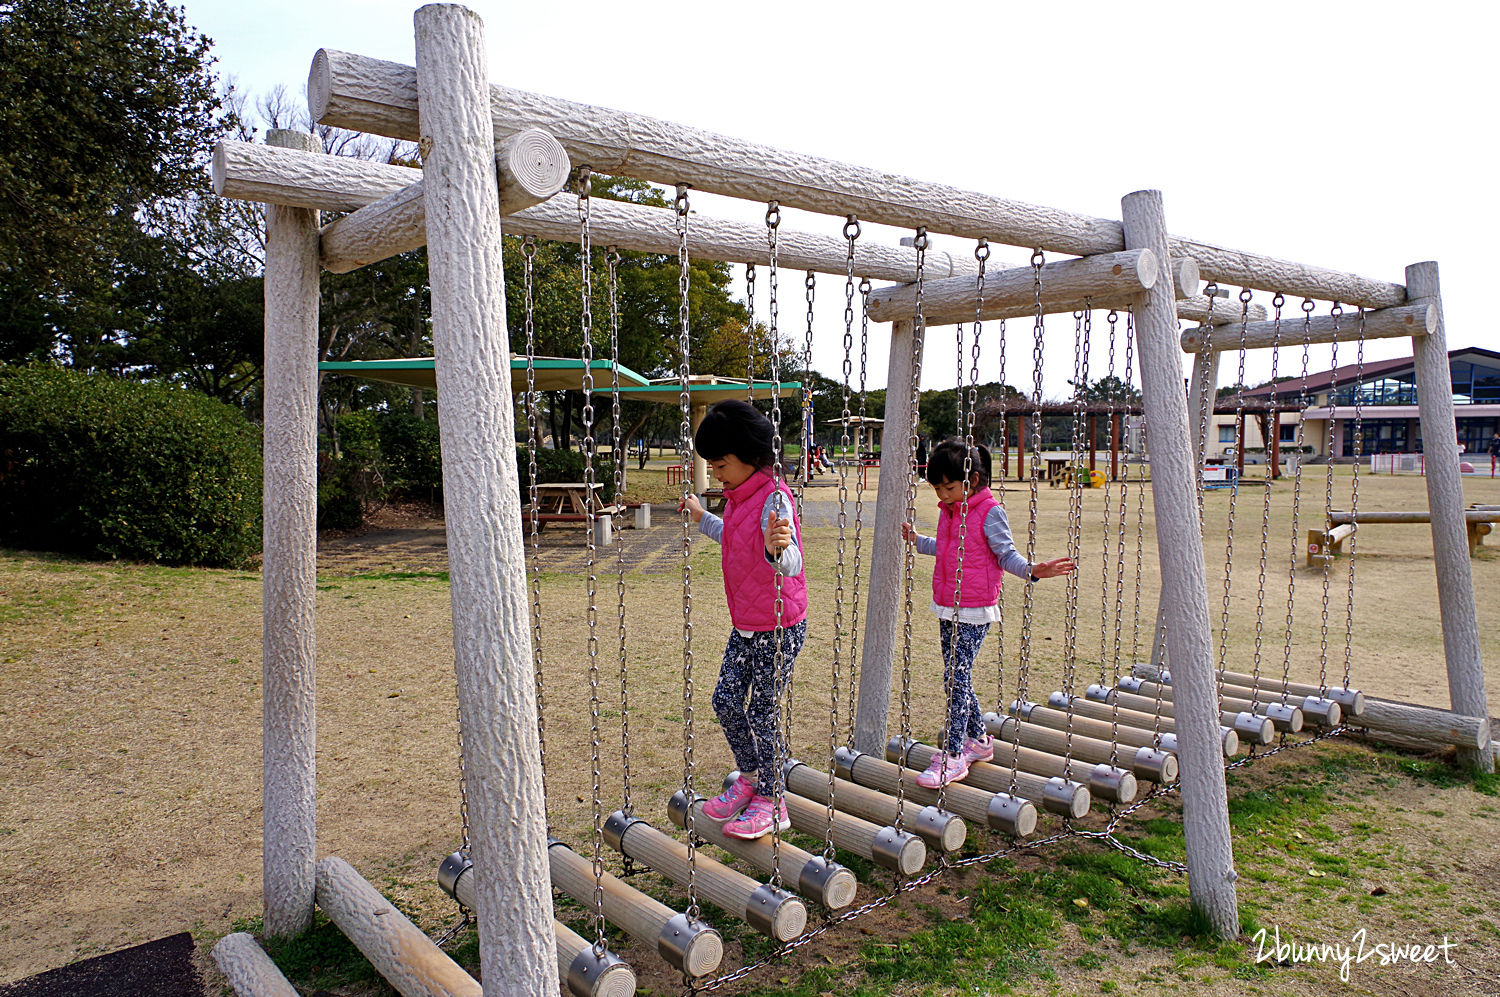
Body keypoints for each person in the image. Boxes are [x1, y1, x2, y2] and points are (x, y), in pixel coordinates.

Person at [901, 440, 1075, 788]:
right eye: (937, 488)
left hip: (975, 609)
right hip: (948, 605)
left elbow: (1004, 554)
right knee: (957, 676)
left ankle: (953, 756)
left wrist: (1033, 570)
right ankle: (979, 741)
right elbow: (946, 546)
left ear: (973, 481)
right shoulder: (949, 511)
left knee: (955, 678)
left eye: (948, 487)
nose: (943, 494)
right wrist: (917, 540)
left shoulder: (989, 511)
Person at [683, 400, 807, 839]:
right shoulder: (738, 497)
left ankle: (774, 801)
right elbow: (733, 535)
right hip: (748, 625)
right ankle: (753, 778)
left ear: (751, 457)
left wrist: (779, 547)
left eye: (720, 464)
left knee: (763, 710)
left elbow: (791, 559)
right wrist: (703, 519)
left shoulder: (774, 498)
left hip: (780, 625)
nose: (715, 473)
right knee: (725, 700)